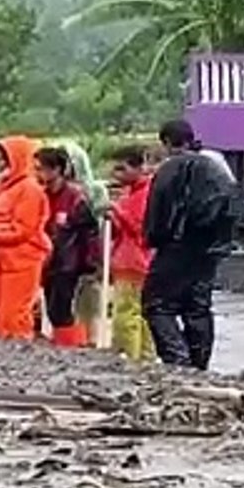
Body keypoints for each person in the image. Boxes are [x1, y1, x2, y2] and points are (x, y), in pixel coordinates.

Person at [142, 119, 238, 370]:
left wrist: (153, 239)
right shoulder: (218, 168)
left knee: (157, 304)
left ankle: (177, 359)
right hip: (209, 250)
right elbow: (232, 208)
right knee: (198, 307)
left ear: (166, 142)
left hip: (175, 247)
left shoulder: (170, 168)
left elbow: (158, 211)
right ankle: (199, 364)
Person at [0, 136, 51, 340]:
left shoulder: (30, 190)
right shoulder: (2, 187)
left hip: (21, 262)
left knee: (15, 314)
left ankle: (20, 355)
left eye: (3, 159)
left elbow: (24, 230)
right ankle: (6, 355)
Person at [33, 147, 99, 347]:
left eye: (42, 169)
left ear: (58, 169)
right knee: (51, 309)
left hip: (68, 263)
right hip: (46, 261)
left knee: (60, 310)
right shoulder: (41, 196)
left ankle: (71, 347)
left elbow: (91, 232)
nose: (38, 174)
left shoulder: (75, 198)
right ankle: (64, 345)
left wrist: (91, 264)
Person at [107, 145, 156, 362]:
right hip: (128, 259)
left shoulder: (145, 195)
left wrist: (117, 210)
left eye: (121, 169)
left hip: (134, 262)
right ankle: (145, 358)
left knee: (126, 316)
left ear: (138, 167)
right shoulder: (132, 193)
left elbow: (140, 230)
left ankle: (130, 358)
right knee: (140, 316)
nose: (116, 175)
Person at [61, 141, 109, 344]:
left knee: (89, 300)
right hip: (65, 254)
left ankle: (92, 338)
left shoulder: (95, 191)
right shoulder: (57, 190)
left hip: (89, 253)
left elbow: (102, 225)